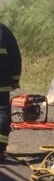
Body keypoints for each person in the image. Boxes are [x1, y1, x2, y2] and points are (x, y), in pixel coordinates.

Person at [0, 23, 21, 159]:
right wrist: (14, 80)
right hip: (1, 81)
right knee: (1, 110)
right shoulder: (4, 31)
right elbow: (15, 56)